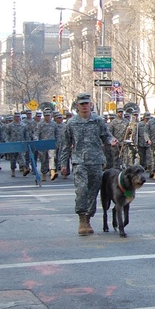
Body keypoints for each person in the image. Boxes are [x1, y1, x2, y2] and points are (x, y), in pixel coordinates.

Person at [57, 93, 117, 236]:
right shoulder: (71, 123)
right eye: (81, 104)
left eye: (86, 103)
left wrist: (112, 140)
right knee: (82, 189)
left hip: (96, 161)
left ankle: (88, 218)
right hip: (79, 161)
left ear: (90, 105)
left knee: (93, 192)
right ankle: (82, 219)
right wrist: (63, 164)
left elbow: (106, 135)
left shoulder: (97, 121)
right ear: (77, 106)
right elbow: (65, 145)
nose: (84, 106)